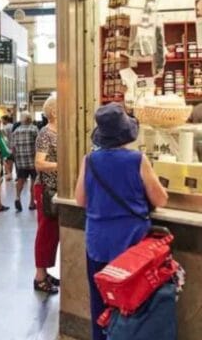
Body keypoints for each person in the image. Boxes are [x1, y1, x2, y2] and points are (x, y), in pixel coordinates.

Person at [74, 102, 168, 340]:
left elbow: (80, 200)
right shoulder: (137, 159)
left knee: (100, 302)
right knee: (133, 304)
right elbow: (161, 199)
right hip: (131, 245)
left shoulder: (89, 160)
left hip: (98, 244)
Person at [33, 96, 60, 295]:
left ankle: (46, 271)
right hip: (46, 189)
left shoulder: (59, 133)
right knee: (45, 232)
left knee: (53, 234)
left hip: (56, 189)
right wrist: (62, 164)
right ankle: (40, 276)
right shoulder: (45, 134)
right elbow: (39, 163)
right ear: (55, 112)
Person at [12, 112, 39, 212]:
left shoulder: (16, 131)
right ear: (30, 119)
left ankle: (17, 197)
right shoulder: (34, 129)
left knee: (20, 180)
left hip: (21, 161)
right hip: (33, 160)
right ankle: (32, 203)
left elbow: (13, 148)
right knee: (33, 180)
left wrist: (16, 158)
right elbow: (38, 145)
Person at [2, 115, 15, 181]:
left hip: (7, 146)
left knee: (7, 160)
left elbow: (4, 138)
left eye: (2, 120)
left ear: (6, 120)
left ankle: (8, 175)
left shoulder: (5, 127)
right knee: (11, 160)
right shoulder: (13, 125)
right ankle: (10, 173)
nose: (2, 121)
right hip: (13, 145)